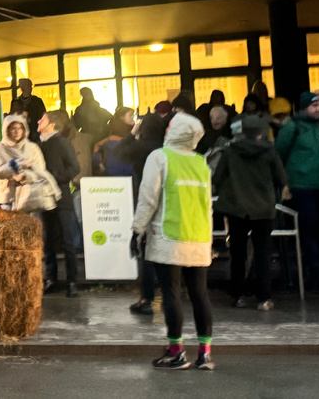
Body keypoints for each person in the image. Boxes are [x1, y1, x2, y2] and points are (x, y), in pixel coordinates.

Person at [131, 113, 214, 371]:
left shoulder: (160, 157)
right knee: (200, 295)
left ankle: (176, 352)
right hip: (199, 237)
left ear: (173, 131)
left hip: (169, 238)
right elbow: (207, 206)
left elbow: (148, 199)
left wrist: (137, 230)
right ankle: (205, 354)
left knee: (171, 294)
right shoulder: (202, 163)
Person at [214, 115, 287, 311]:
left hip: (237, 208)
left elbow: (218, 177)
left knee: (237, 254)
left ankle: (238, 296)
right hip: (263, 210)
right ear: (261, 132)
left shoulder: (230, 151)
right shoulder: (270, 150)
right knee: (263, 253)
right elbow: (281, 177)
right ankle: (264, 298)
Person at [275, 92, 319, 293]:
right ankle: (315, 273)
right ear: (304, 107)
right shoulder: (293, 127)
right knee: (308, 229)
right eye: (314, 105)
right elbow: (279, 152)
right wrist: (285, 182)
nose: (318, 109)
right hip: (302, 186)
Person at [115, 114, 169, 315]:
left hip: (145, 199)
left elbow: (118, 153)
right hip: (168, 202)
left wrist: (132, 133)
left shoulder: (141, 147)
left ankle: (147, 298)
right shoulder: (165, 147)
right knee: (166, 251)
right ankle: (168, 295)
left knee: (146, 250)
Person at [37, 110, 81, 297]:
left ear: (52, 124)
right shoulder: (38, 145)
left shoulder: (61, 143)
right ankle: (51, 279)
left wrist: (55, 179)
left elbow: (74, 168)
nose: (39, 120)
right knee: (48, 241)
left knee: (67, 241)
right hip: (45, 199)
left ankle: (72, 281)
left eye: (43, 118)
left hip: (62, 199)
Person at [0, 114, 59, 213]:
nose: (17, 131)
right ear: (6, 130)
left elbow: (40, 170)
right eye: (13, 128)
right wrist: (12, 174)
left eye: (20, 128)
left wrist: (25, 176)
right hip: (7, 198)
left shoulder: (32, 148)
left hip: (30, 198)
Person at [93, 107, 135, 177]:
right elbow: (97, 146)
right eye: (130, 115)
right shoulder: (110, 131)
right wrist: (99, 162)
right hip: (113, 172)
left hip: (129, 171)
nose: (132, 118)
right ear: (122, 117)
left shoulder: (134, 130)